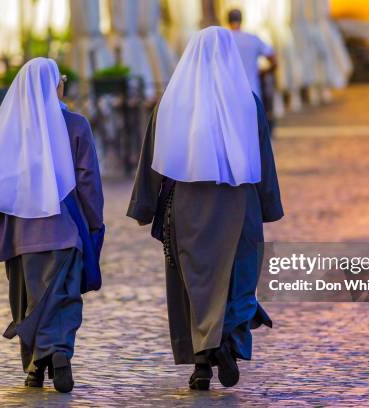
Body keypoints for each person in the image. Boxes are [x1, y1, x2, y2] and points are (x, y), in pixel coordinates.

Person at [127, 26, 283, 391]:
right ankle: (227, 339)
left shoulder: (171, 103)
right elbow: (264, 157)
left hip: (187, 208)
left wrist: (143, 206)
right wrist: (268, 205)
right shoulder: (248, 102)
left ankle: (200, 363)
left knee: (193, 282)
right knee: (238, 278)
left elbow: (151, 157)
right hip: (239, 203)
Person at [0, 58, 104, 393]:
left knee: (27, 299)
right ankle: (58, 354)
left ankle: (33, 369)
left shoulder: (11, 132)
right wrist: (94, 222)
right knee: (62, 296)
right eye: (62, 79)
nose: (64, 84)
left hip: (19, 236)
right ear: (53, 85)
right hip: (64, 231)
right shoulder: (75, 124)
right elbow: (88, 181)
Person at [227, 9, 277, 99]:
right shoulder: (253, 39)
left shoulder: (224, 41)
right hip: (253, 92)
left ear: (227, 21)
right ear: (242, 20)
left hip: (231, 95)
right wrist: (263, 73)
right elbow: (274, 61)